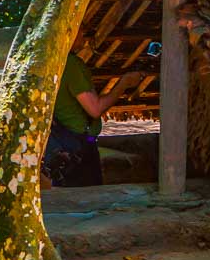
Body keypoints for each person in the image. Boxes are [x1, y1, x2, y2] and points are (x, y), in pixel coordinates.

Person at [42, 52, 144, 188]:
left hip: (61, 144)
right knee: (88, 197)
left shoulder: (49, 58)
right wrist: (124, 83)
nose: (83, 33)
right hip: (78, 147)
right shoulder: (70, 63)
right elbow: (95, 109)